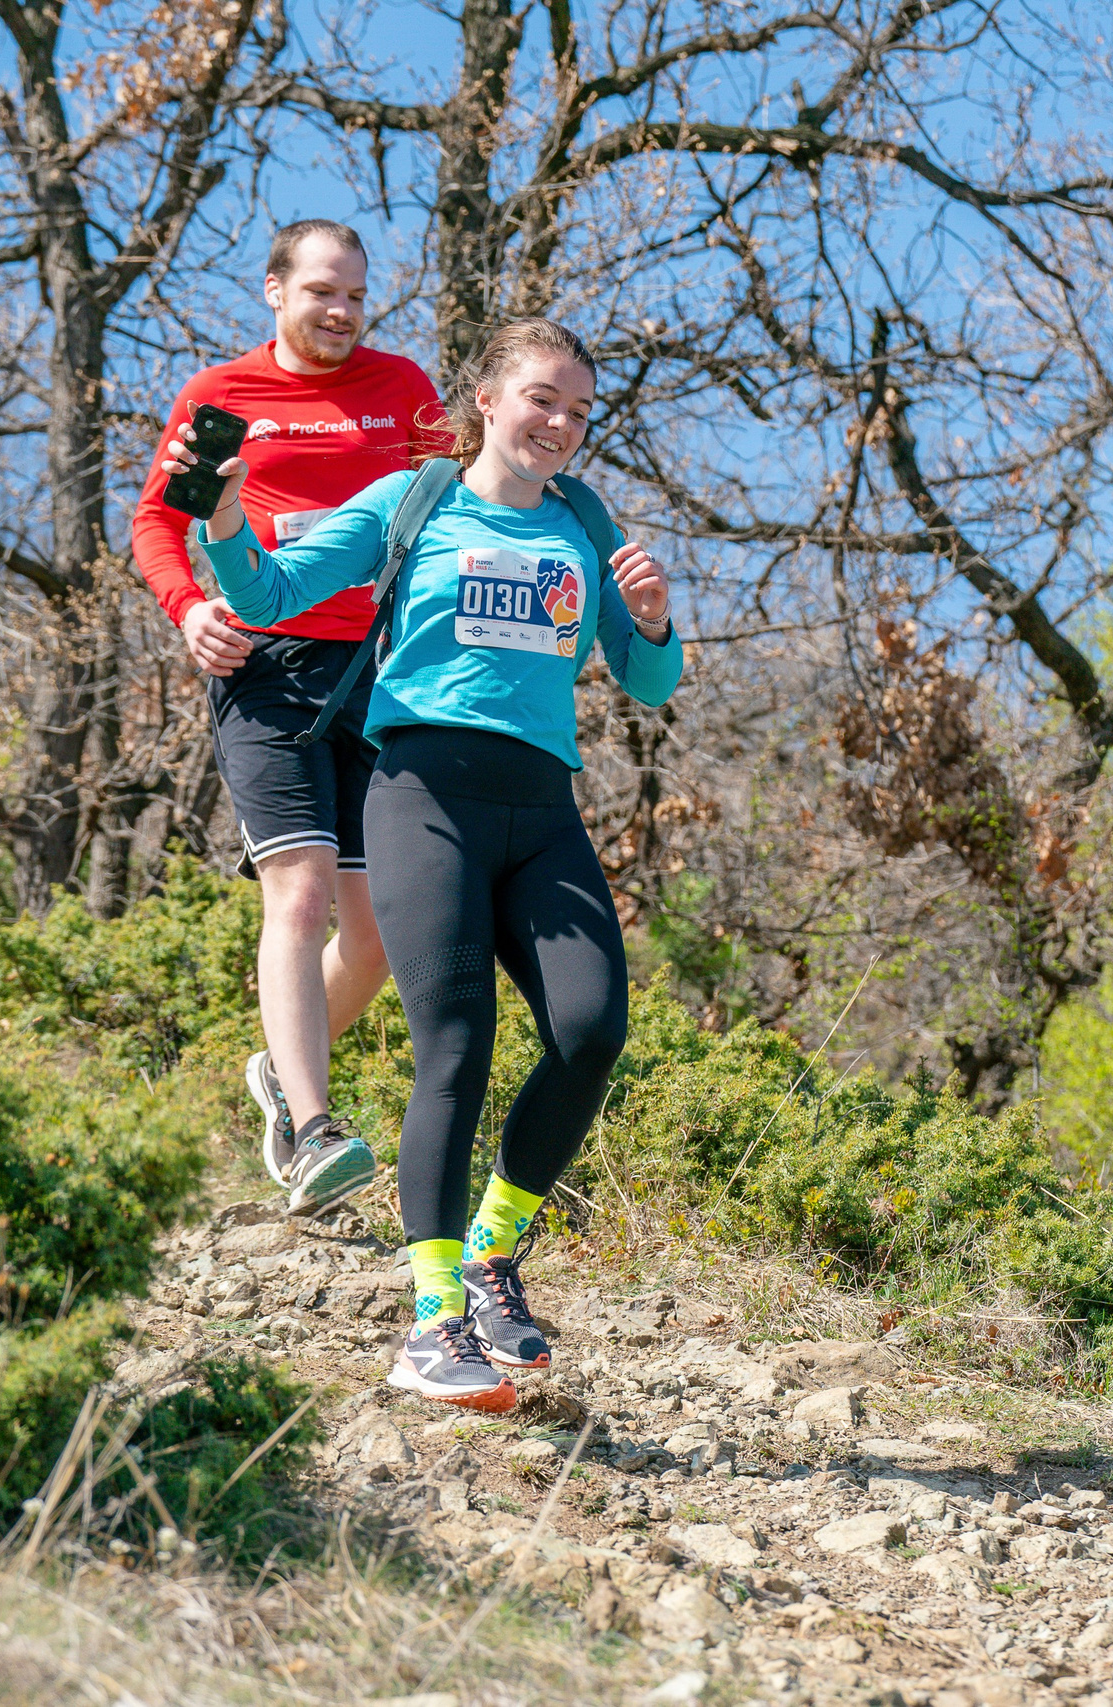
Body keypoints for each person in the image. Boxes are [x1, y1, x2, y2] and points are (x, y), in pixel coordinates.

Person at [160, 317, 682, 1412]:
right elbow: (261, 594)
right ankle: (432, 1319)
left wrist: (650, 618)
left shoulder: (585, 521)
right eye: (542, 398)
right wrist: (218, 511)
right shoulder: (416, 504)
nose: (561, 424)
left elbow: (643, 682)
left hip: (542, 806)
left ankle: (494, 1254)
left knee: (591, 1032)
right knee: (457, 1040)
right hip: (421, 795)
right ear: (485, 400)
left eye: (580, 411)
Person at [132, 219, 443, 1216]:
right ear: (275, 292)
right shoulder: (223, 397)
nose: (342, 311)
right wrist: (191, 613)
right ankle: (313, 1133)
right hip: (263, 664)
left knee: (377, 931)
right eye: (321, 292)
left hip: (375, 672)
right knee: (298, 893)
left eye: (355, 295)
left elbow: (455, 501)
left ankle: (275, 1070)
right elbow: (157, 521)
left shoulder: (404, 393)